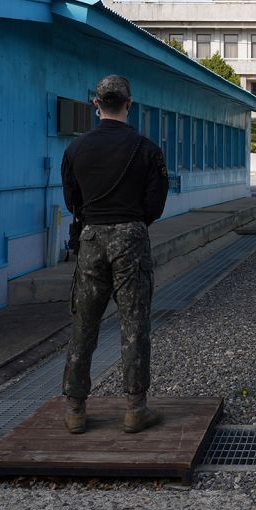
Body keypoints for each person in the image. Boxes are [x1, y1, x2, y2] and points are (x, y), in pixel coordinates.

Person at [60, 75, 169, 434]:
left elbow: (72, 201)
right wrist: (133, 220)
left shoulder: (76, 149)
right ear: (128, 104)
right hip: (132, 237)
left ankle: (75, 409)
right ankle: (135, 408)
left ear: (96, 104)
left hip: (91, 238)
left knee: (84, 323)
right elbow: (155, 205)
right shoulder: (147, 149)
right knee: (134, 322)